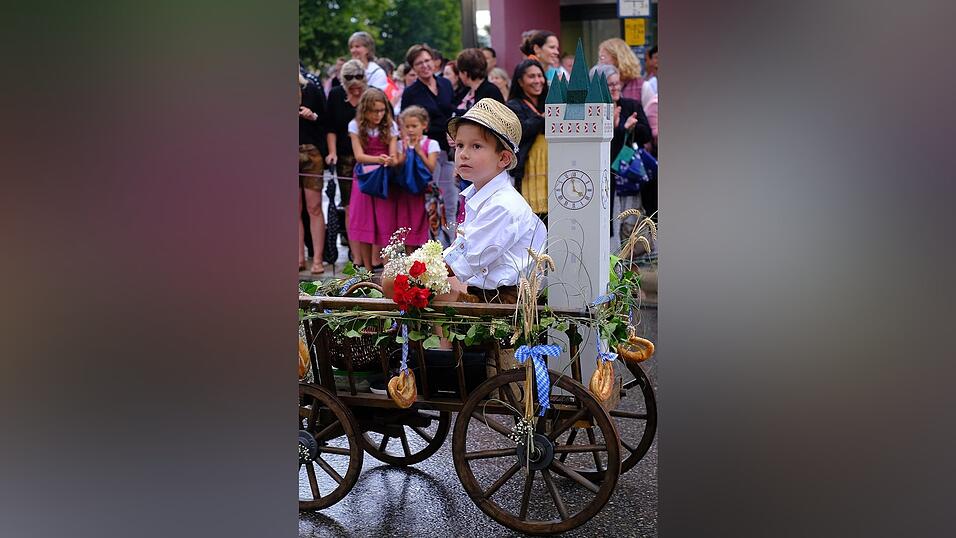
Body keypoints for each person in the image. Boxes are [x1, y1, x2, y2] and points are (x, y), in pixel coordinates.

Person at [443, 98, 547, 304]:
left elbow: (459, 262)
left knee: (419, 287)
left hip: (502, 302)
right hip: (484, 292)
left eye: (476, 146)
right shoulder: (480, 196)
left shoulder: (503, 205)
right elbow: (459, 251)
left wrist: (418, 268)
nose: (463, 154)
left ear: (503, 159)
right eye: (460, 145)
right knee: (421, 287)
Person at [401, 44, 458, 247]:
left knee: (451, 199)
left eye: (427, 61)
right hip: (427, 151)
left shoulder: (445, 83)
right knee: (432, 202)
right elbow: (408, 123)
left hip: (449, 150)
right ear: (413, 68)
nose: (425, 66)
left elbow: (451, 111)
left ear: (433, 61)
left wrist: (454, 132)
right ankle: (433, 246)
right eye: (419, 63)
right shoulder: (411, 92)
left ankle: (452, 245)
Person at [590, 63, 653, 232]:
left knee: (631, 224)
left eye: (617, 83)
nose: (615, 88)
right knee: (607, 222)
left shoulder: (631, 106)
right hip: (605, 175)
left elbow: (647, 135)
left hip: (629, 174)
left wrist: (629, 127)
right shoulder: (592, 111)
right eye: (610, 84)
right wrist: (617, 128)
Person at [347, 88, 405, 270]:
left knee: (386, 222)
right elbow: (359, 156)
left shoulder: (391, 125)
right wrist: (379, 159)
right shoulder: (354, 125)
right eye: (374, 111)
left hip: (383, 180)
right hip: (364, 179)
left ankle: (388, 270)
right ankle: (367, 270)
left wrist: (392, 160)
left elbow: (393, 154)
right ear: (365, 110)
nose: (379, 115)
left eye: (382, 110)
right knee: (364, 222)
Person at [325, 59, 367, 257]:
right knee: (349, 205)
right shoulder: (336, 95)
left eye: (359, 79)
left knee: (368, 206)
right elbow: (330, 127)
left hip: (368, 157)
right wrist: (332, 152)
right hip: (344, 157)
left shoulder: (371, 94)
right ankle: (355, 253)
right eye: (350, 81)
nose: (355, 85)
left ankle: (369, 253)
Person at [506, 60, 548, 219]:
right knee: (531, 217)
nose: (537, 80)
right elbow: (520, 131)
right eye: (531, 76)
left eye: (540, 76)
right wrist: (542, 118)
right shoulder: (513, 105)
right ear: (520, 81)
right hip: (527, 168)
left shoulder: (549, 101)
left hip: (552, 166)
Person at [394, 106, 440, 246]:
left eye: (414, 126)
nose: (410, 130)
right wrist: (404, 152)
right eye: (407, 126)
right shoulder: (400, 144)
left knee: (425, 225)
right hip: (405, 193)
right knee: (406, 225)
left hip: (425, 193)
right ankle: (409, 256)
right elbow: (398, 166)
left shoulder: (431, 144)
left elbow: (431, 167)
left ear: (424, 125)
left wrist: (419, 152)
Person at [298, 73, 328, 273]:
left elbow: (326, 120)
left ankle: (317, 259)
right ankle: (299, 258)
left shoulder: (311, 88)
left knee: (314, 207)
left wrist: (313, 115)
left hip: (312, 151)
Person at [454, 48, 505, 114]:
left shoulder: (491, 91)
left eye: (460, 72)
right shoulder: (464, 91)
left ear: (465, 73)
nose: (459, 76)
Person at [598, 38, 644, 103]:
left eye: (602, 57)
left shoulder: (643, 86)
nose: (599, 62)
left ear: (618, 58)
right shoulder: (601, 85)